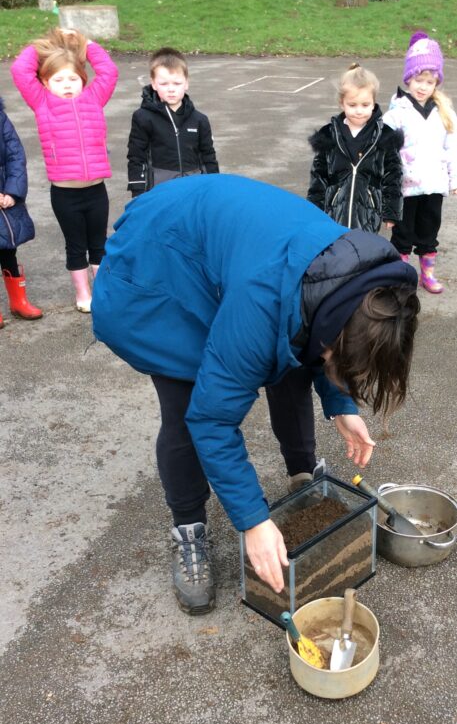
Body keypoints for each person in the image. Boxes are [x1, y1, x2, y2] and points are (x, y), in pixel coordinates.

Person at [92, 174, 420, 616]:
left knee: (293, 360)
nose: (336, 362)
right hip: (157, 268)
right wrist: (253, 521)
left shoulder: (355, 282)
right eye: (338, 359)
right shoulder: (261, 304)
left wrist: (342, 405)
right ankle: (188, 529)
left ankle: (302, 480)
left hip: (225, 246)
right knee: (189, 404)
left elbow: (324, 342)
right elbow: (212, 420)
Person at [11, 27, 118, 314]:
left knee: (99, 244)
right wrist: (42, 46)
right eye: (58, 80)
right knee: (76, 246)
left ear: (83, 80)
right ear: (45, 82)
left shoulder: (94, 98)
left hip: (96, 190)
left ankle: (102, 292)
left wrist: (87, 43)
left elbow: (108, 71)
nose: (67, 85)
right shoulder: (42, 102)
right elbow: (20, 71)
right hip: (65, 194)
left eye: (73, 78)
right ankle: (83, 294)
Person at [382, 31, 457, 295]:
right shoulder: (396, 114)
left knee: (429, 231)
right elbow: (385, 151)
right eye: (418, 80)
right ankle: (399, 275)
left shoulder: (444, 113)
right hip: (406, 187)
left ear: (436, 83)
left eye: (430, 82)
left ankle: (427, 274)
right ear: (408, 78)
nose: (423, 86)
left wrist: (456, 178)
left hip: (434, 185)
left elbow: (453, 147)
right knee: (402, 234)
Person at [307, 62, 403, 233]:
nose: (359, 111)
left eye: (365, 105)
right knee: (336, 246)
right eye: (352, 105)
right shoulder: (329, 135)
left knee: (363, 247)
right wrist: (313, 209)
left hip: (368, 214)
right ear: (342, 103)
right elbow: (319, 175)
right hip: (334, 213)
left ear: (373, 103)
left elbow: (393, 175)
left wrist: (391, 211)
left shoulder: (385, 136)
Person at [126, 47, 219, 196]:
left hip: (193, 191)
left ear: (186, 83)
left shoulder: (200, 120)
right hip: (159, 192)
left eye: (177, 83)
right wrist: (138, 192)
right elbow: (136, 157)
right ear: (154, 84)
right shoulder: (142, 117)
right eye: (164, 84)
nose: (171, 89)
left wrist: (213, 187)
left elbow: (208, 157)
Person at [0, 95, 42, 327]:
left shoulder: (1, 118)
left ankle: (19, 301)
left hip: (5, 198)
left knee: (8, 248)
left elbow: (15, 156)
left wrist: (12, 192)